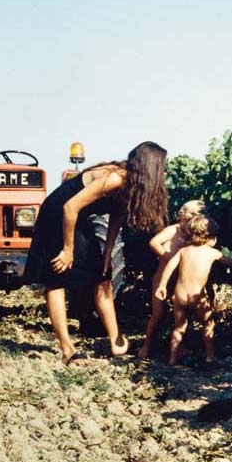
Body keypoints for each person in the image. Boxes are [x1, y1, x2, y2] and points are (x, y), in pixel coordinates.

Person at [25, 142, 168, 365]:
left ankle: (116, 341)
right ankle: (67, 350)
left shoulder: (129, 185)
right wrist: (68, 250)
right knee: (57, 277)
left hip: (78, 218)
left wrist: (107, 255)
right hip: (57, 215)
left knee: (103, 277)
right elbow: (69, 208)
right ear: (151, 167)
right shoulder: (115, 178)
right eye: (162, 166)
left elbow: (116, 216)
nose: (165, 172)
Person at [155, 214, 232, 366]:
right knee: (209, 324)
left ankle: (172, 358)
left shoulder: (183, 251)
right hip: (197, 297)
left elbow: (169, 267)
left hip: (179, 295)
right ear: (211, 238)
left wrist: (162, 285)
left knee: (179, 327)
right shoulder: (212, 253)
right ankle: (210, 356)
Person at [137, 200, 205, 359]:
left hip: (180, 282)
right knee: (158, 312)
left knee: (181, 315)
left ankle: (178, 347)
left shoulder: (193, 236)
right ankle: (146, 346)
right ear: (185, 216)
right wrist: (168, 258)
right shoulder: (173, 230)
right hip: (162, 279)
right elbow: (153, 242)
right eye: (193, 216)